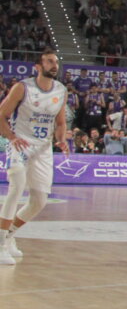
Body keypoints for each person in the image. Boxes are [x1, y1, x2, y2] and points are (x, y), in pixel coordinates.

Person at [0, 49, 69, 265]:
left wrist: (61, 139)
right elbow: (1, 114)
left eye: (56, 61)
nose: (54, 65)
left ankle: (9, 234)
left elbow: (60, 122)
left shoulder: (61, 90)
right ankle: (1, 243)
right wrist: (11, 137)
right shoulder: (23, 88)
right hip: (20, 144)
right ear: (38, 67)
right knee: (17, 186)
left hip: (43, 149)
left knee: (39, 201)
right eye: (49, 61)